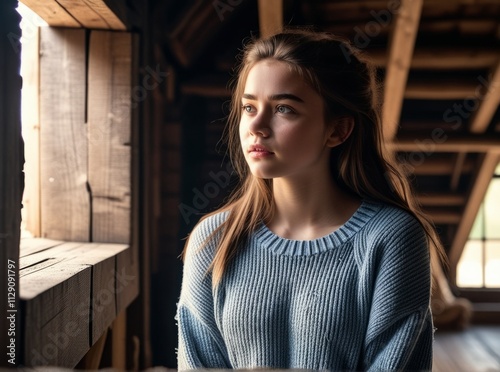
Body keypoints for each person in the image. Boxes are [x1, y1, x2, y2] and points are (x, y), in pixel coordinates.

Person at [176, 29, 444, 371]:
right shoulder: (213, 240)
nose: (256, 125)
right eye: (248, 107)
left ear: (338, 130)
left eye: (284, 108)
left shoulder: (391, 237)